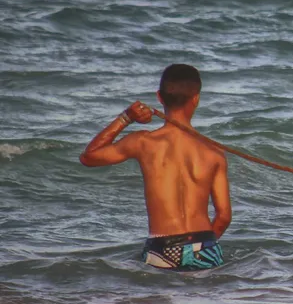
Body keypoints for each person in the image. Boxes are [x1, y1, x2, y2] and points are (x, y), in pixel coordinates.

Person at [80, 64, 231, 271]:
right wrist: (202, 247)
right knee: (202, 302)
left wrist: (126, 117)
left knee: (157, 301)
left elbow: (89, 157)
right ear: (196, 98)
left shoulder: (143, 143)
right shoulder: (214, 153)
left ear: (159, 97)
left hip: (163, 248)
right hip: (205, 245)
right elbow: (223, 216)